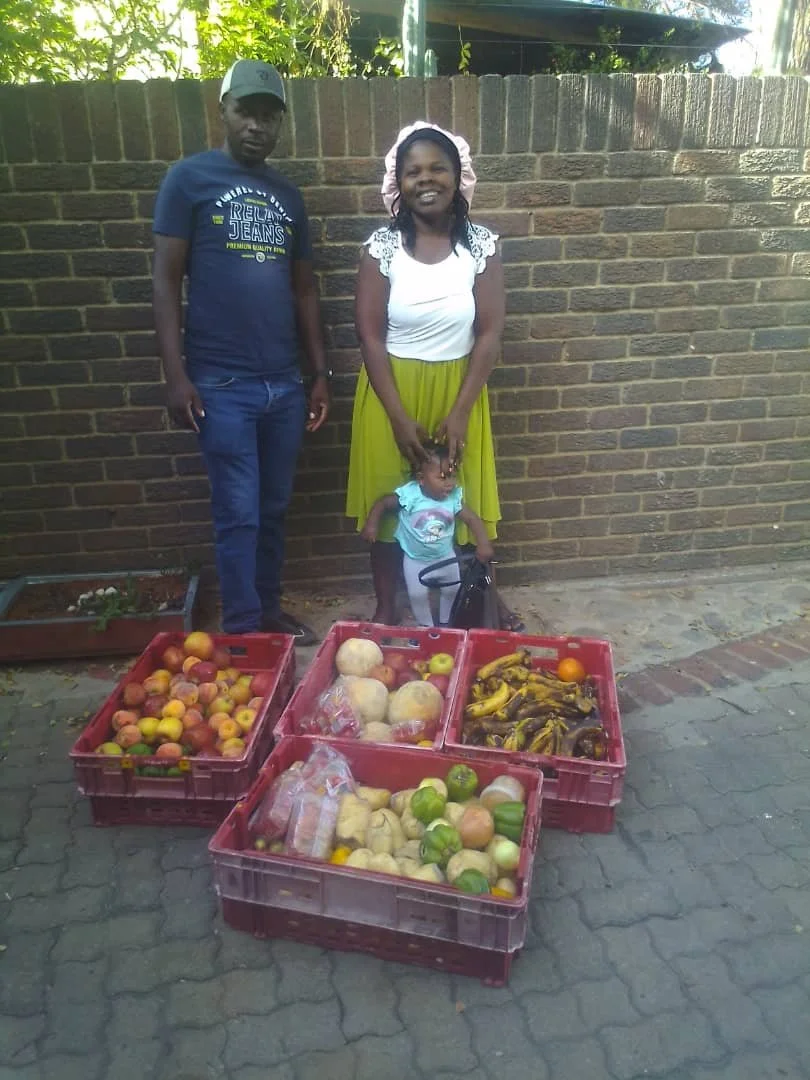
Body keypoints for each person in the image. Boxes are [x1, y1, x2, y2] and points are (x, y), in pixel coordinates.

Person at [152, 59, 330, 645]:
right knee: (238, 513)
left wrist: (319, 373)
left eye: (269, 116)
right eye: (246, 112)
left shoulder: (288, 196)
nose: (257, 125)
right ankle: (244, 632)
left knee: (273, 508)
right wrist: (176, 376)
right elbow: (165, 282)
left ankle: (268, 611)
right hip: (220, 384)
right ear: (223, 111)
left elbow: (304, 290)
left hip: (284, 383)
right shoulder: (189, 180)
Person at [346, 121, 524, 631]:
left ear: (457, 176)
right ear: (398, 183)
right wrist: (399, 419)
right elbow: (370, 337)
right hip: (390, 392)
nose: (426, 179)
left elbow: (489, 334)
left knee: (462, 494)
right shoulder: (381, 248)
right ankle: (387, 605)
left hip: (459, 390)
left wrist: (461, 411)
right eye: (413, 171)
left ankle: (484, 597)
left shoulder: (481, 247)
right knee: (389, 495)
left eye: (437, 168)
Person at [361, 439, 494, 626]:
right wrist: (372, 524)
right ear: (421, 478)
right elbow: (383, 503)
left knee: (452, 590)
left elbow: (472, 519)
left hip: (445, 557)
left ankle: (446, 622)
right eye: (442, 477)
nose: (449, 484)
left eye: (452, 476)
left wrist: (483, 544)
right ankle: (425, 626)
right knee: (417, 596)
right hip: (415, 560)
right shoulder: (411, 496)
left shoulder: (453, 498)